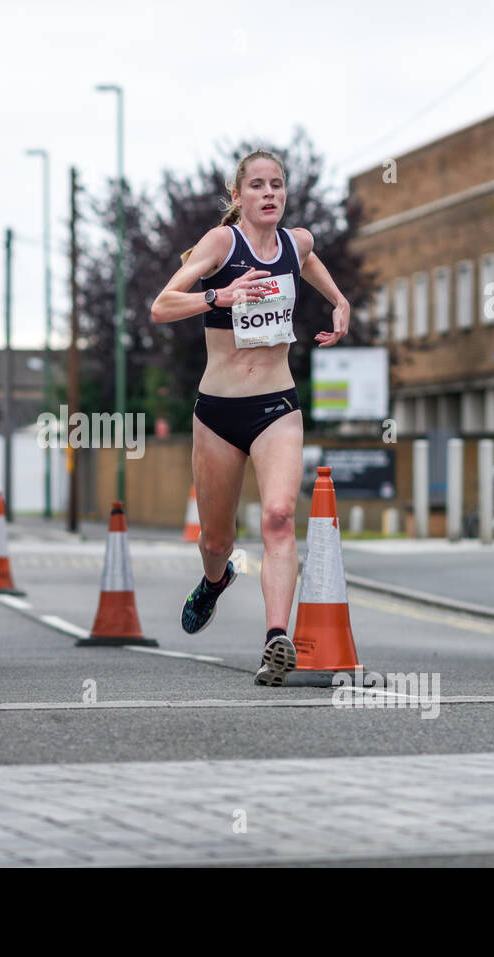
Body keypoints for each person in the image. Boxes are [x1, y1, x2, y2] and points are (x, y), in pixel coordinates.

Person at [150, 150, 350, 687]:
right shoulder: (222, 244)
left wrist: (338, 300)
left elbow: (306, 261)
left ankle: (275, 640)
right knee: (217, 540)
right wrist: (218, 295)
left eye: (277, 185)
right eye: (257, 186)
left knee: (280, 517)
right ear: (237, 196)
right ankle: (214, 582)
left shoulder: (296, 241)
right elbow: (162, 305)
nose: (270, 194)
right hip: (217, 414)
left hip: (277, 406)